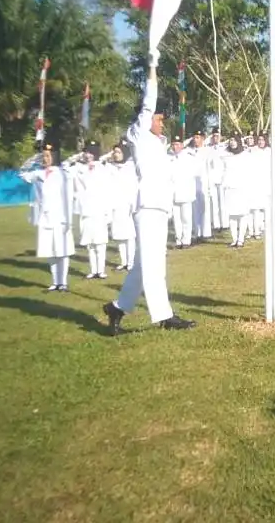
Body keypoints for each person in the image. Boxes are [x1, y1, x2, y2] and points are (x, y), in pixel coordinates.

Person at [104, 49, 195, 335]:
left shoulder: (158, 143)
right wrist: (153, 69)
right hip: (147, 206)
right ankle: (164, 316)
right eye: (158, 118)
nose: (161, 121)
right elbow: (147, 103)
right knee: (154, 264)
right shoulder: (140, 134)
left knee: (145, 265)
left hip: (159, 206)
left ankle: (117, 308)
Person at [19, 140, 75, 291]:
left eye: (48, 156)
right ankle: (55, 281)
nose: (45, 159)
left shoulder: (63, 174)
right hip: (44, 218)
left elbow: (68, 197)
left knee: (62, 251)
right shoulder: (38, 174)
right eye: (43, 156)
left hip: (60, 218)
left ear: (55, 157)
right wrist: (33, 159)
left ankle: (63, 282)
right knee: (50, 251)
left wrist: (68, 220)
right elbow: (22, 173)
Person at [74, 140, 113, 280]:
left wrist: (108, 212)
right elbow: (78, 188)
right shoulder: (81, 169)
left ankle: (101, 270)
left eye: (91, 151)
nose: (88, 154)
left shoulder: (103, 168)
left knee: (100, 242)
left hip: (99, 209)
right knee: (89, 243)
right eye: (87, 151)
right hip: (86, 210)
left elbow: (108, 191)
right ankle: (93, 270)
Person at [106, 143, 137, 271]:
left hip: (128, 205)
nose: (115, 154)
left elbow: (135, 187)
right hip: (115, 204)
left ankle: (131, 261)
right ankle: (123, 261)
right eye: (114, 152)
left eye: (118, 152)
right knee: (119, 235)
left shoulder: (130, 168)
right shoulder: (109, 168)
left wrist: (134, 205)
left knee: (129, 235)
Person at [222, 133, 252, 248]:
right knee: (231, 215)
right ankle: (234, 239)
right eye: (230, 140)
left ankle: (241, 239)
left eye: (234, 140)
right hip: (229, 188)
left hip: (242, 188)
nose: (232, 142)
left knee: (242, 214)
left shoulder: (245, 155)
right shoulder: (225, 155)